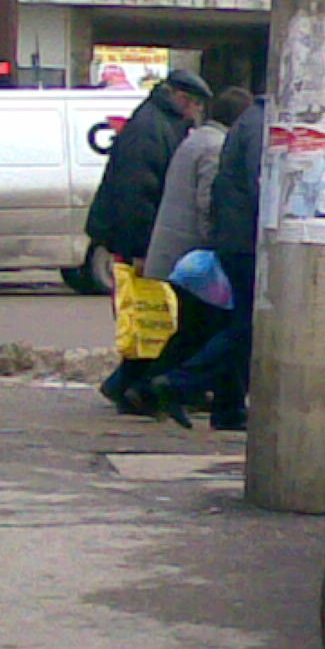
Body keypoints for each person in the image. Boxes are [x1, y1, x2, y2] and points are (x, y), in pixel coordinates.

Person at [132, 95, 263, 430]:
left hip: (225, 244)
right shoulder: (251, 131)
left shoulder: (229, 132)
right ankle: (176, 382)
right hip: (240, 244)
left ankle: (226, 407)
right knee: (243, 328)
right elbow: (245, 190)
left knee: (224, 325)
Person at [87, 68, 212, 412]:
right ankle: (133, 386)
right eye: (195, 105)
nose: (196, 114)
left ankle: (131, 384)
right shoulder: (151, 129)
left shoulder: (156, 122)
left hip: (145, 238)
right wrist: (140, 250)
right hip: (140, 241)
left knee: (156, 317)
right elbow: (135, 195)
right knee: (158, 317)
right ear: (182, 99)